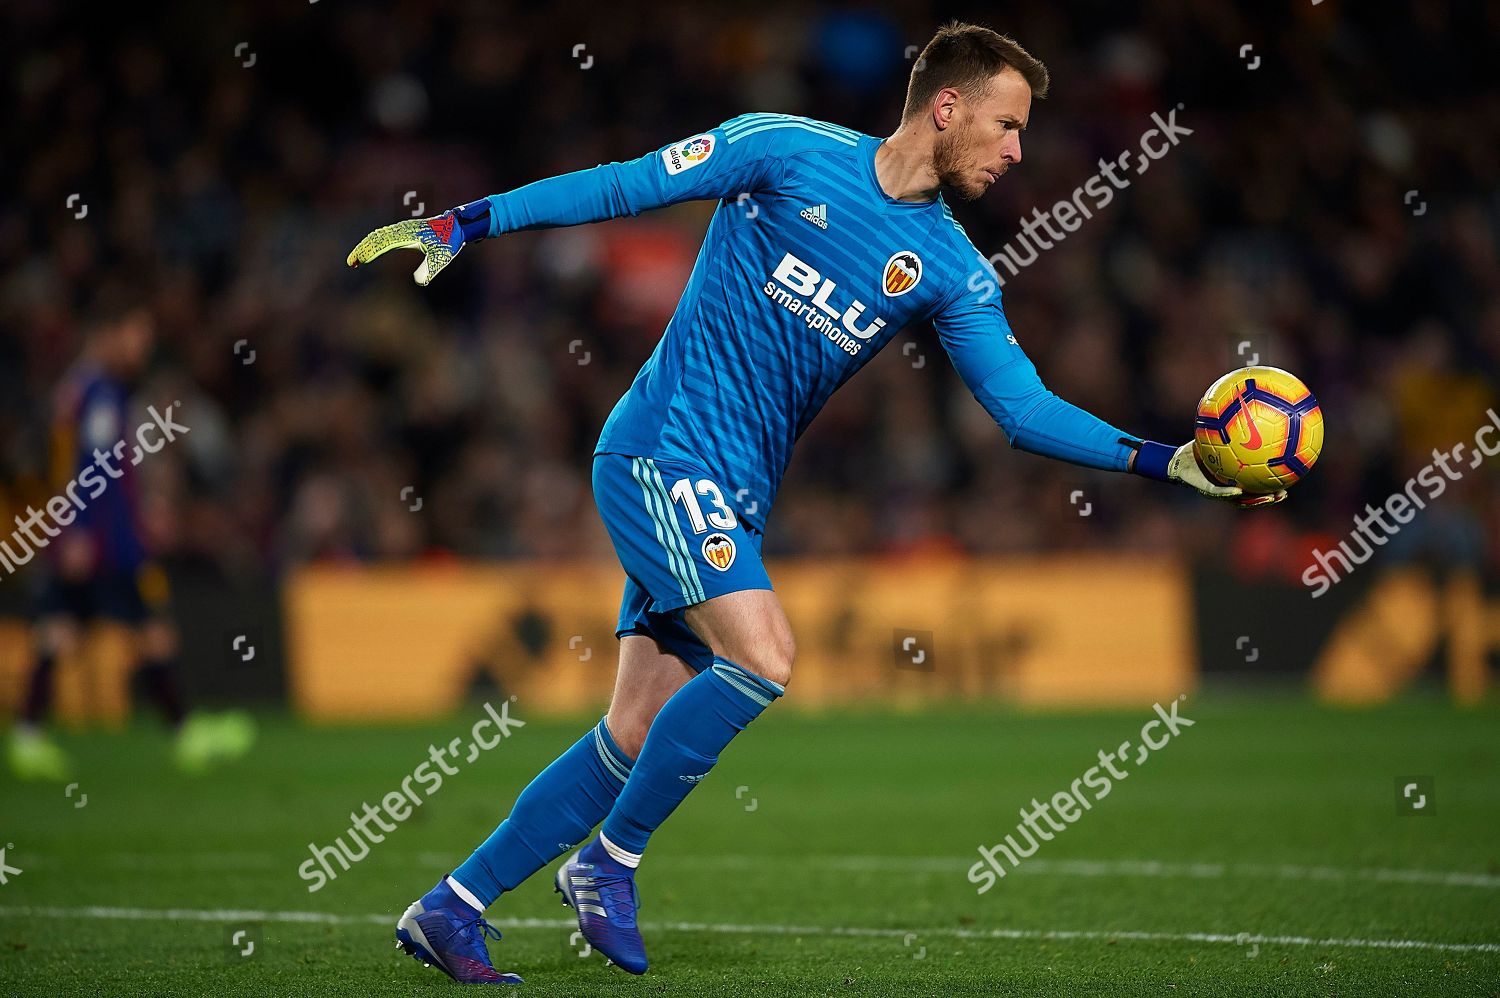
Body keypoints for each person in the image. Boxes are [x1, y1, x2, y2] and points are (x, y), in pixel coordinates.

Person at [348, 21, 1281, 985]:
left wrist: (1171, 462)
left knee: (631, 734)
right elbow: (626, 184)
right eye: (1006, 126)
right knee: (766, 656)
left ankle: (450, 909)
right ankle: (607, 865)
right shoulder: (784, 151)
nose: (1016, 152)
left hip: (733, 496)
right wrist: (471, 221)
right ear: (946, 107)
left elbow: (1023, 409)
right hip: (659, 453)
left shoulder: (953, 266)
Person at [6, 294, 254, 780]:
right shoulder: (98, 392)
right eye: (137, 334)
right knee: (152, 631)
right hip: (105, 544)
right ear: (111, 333)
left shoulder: (82, 388)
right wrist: (82, 532)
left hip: (95, 536)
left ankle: (28, 737)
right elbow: (90, 470)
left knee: (62, 629)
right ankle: (184, 736)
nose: (143, 345)